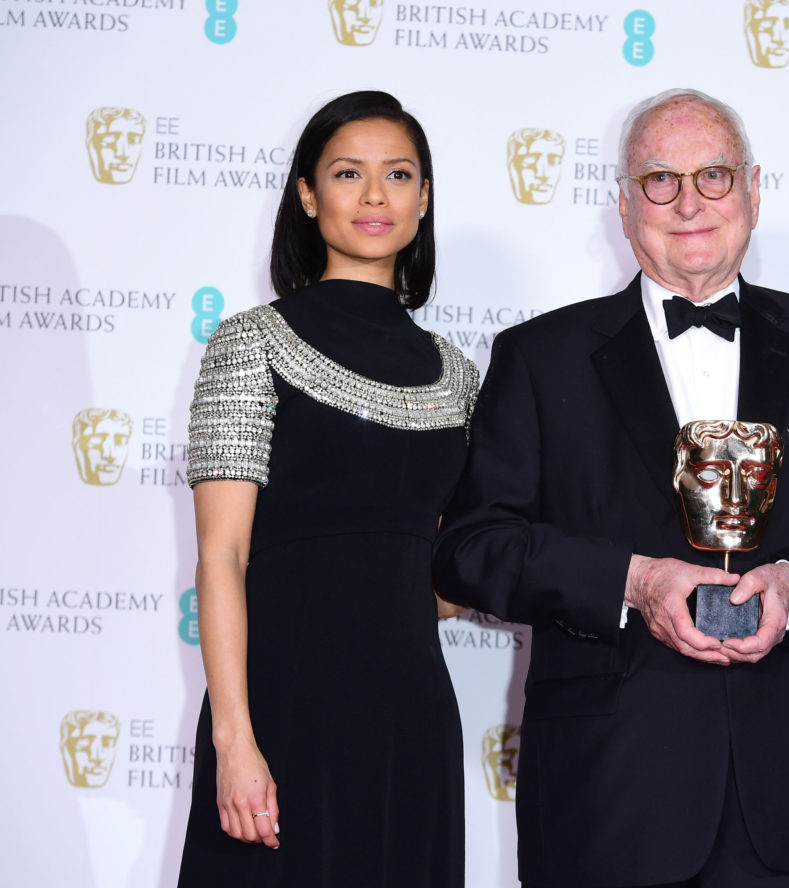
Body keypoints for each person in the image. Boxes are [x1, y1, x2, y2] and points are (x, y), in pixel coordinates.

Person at [434, 87, 789, 888]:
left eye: (715, 177)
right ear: (624, 208)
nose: (689, 201)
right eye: (660, 180)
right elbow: (471, 549)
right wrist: (633, 580)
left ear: (754, 192)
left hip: (786, 797)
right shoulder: (538, 357)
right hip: (605, 797)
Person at [177, 91, 477, 887]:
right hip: (282, 710)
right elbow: (220, 556)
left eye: (399, 174)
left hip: (411, 720)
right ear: (308, 195)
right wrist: (235, 741)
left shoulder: (459, 378)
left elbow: (452, 576)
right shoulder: (250, 345)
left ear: (423, 198)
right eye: (349, 173)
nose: (375, 196)